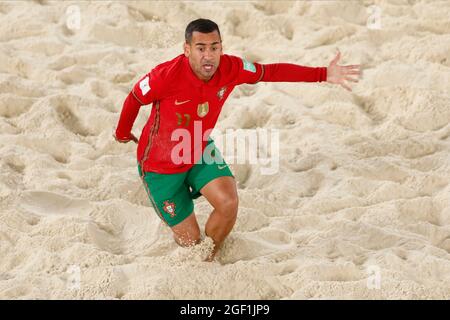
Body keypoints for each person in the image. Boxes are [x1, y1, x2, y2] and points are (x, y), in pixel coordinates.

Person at [114, 18, 361, 261]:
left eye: (215, 47)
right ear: (187, 49)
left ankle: (209, 256)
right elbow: (135, 97)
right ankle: (198, 253)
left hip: (198, 149)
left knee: (228, 204)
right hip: (159, 168)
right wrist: (122, 132)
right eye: (201, 49)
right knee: (190, 242)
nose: (208, 56)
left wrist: (322, 73)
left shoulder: (231, 68)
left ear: (222, 47)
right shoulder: (166, 75)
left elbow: (270, 72)